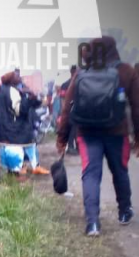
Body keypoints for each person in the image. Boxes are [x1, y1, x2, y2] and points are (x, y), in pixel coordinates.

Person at [57, 36, 139, 236]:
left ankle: (93, 223)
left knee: (90, 175)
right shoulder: (126, 71)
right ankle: (124, 212)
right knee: (120, 171)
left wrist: (62, 138)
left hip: (86, 134)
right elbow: (137, 107)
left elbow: (67, 107)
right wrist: (138, 137)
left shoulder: (82, 72)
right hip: (117, 133)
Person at [0, 71, 45, 177]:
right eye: (16, 76)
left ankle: (24, 167)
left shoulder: (2, 90)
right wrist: (30, 100)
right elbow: (19, 110)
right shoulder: (12, 91)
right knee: (20, 147)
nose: (19, 77)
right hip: (13, 127)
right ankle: (20, 169)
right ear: (11, 79)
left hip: (2, 126)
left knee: (9, 148)